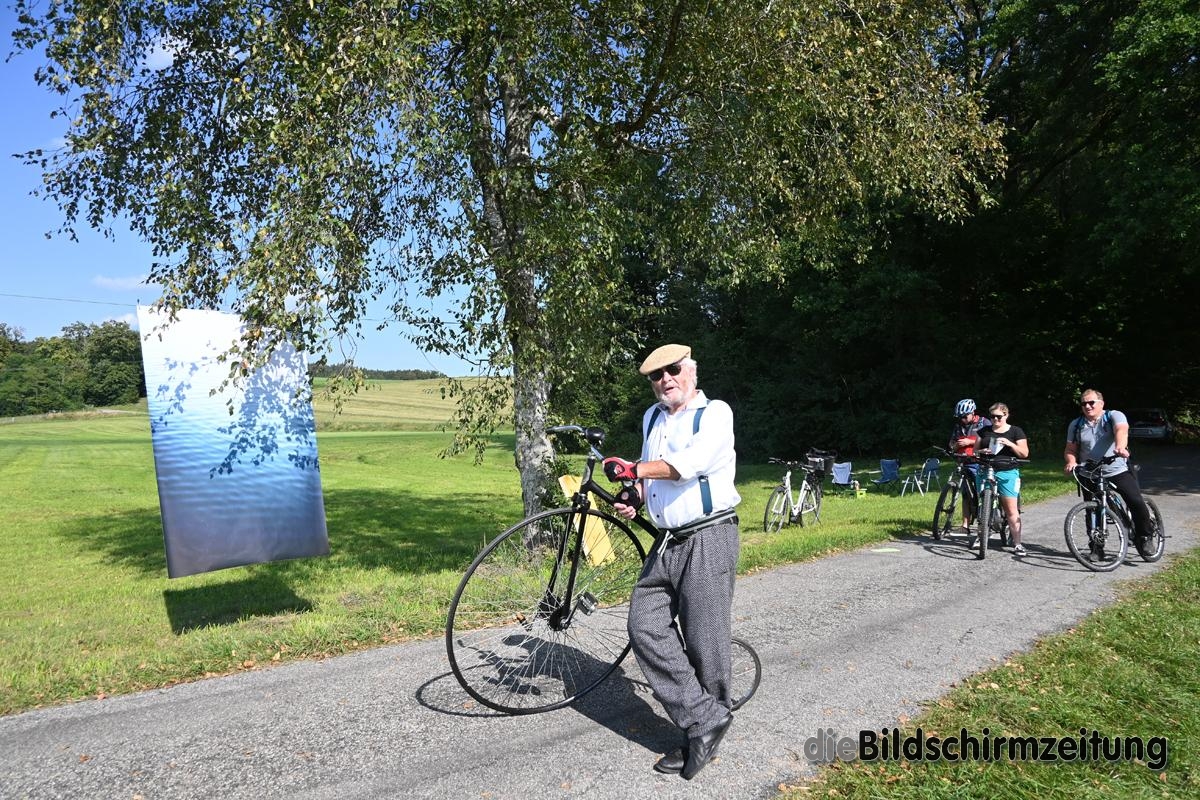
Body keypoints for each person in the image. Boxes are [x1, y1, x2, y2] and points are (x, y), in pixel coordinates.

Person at [601, 343, 741, 780]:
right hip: (667, 541)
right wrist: (634, 495)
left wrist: (634, 471)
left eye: (673, 370)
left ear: (691, 371)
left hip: (708, 535)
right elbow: (650, 476)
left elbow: (688, 464)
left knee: (704, 640)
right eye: (656, 375)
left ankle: (702, 732)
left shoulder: (714, 413)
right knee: (644, 626)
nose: (665, 380)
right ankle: (705, 719)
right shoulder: (652, 418)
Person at [1062, 389, 1154, 558]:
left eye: (1091, 402)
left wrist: (1120, 447)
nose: (1087, 406)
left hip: (1117, 469)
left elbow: (1121, 430)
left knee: (1135, 500)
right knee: (1092, 510)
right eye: (1084, 403)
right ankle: (1096, 547)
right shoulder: (1076, 424)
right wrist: (1071, 462)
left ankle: (1145, 536)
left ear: (1101, 403)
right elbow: (1070, 449)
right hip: (1090, 473)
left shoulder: (1113, 416)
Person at [975, 403, 1029, 556]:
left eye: (999, 417)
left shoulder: (1015, 431)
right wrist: (981, 451)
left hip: (1007, 471)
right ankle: (981, 535)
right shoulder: (984, 431)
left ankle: (1017, 543)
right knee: (982, 505)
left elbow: (1024, 453)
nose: (995, 420)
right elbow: (975, 451)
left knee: (1011, 509)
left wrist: (1010, 444)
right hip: (986, 469)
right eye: (992, 417)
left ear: (1006, 415)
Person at [948, 398, 991, 529]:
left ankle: (984, 521)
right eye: (960, 417)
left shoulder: (984, 423)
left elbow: (990, 441)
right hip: (963, 462)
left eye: (965, 416)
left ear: (973, 412)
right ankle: (965, 525)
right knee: (965, 494)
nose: (963, 419)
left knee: (981, 492)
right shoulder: (959, 426)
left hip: (979, 462)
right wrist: (955, 446)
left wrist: (970, 442)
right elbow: (951, 444)